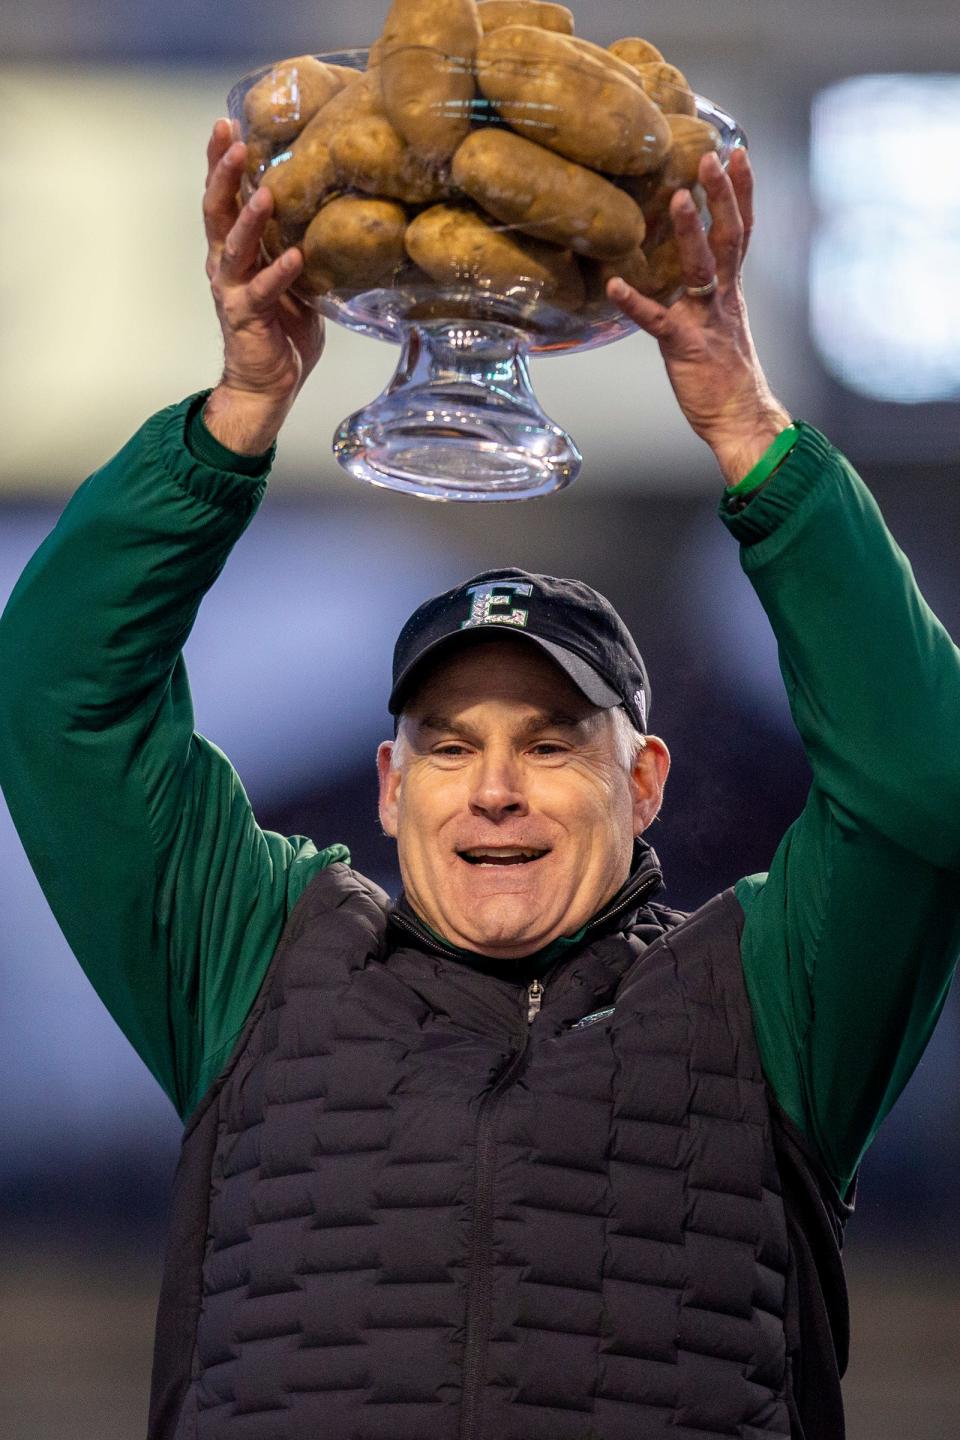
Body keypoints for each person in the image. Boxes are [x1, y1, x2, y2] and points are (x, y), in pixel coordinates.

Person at [0, 119, 958, 1440]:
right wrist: (235, 419)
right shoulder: (251, 956)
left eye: (554, 742)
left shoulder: (773, 998)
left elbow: (921, 777)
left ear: (649, 782)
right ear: (390, 787)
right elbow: (56, 694)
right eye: (450, 746)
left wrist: (749, 431)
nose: (494, 786)